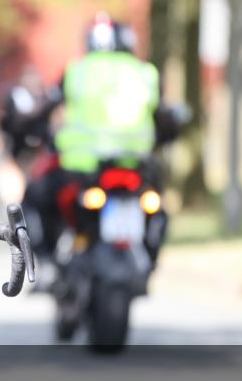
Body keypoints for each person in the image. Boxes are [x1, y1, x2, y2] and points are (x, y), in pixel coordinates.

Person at [23, 13, 166, 260]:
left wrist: (33, 130)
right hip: (136, 164)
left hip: (81, 166)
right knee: (159, 207)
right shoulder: (145, 73)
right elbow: (164, 117)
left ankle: (45, 261)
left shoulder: (76, 72)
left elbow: (46, 108)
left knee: (35, 197)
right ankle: (149, 255)